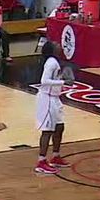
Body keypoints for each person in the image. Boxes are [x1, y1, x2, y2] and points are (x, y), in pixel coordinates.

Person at [34, 41, 69, 175]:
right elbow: (44, 81)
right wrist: (63, 82)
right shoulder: (51, 62)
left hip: (55, 98)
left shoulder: (55, 61)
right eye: (56, 44)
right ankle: (41, 162)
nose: (59, 45)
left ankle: (55, 156)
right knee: (47, 131)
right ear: (52, 50)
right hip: (46, 98)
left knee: (60, 127)